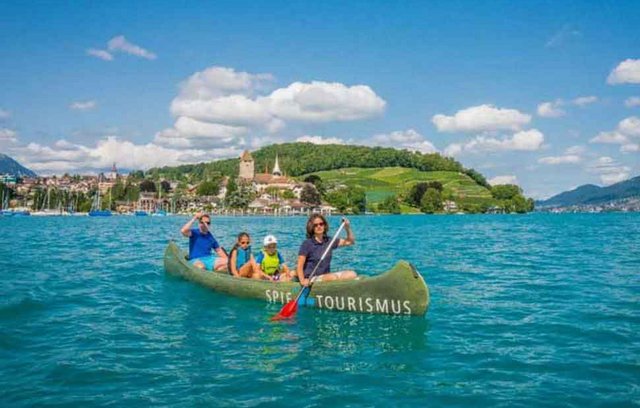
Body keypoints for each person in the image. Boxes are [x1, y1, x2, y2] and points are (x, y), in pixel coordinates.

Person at [297, 214, 357, 286]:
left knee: (352, 274)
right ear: (312, 228)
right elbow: (299, 266)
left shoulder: (329, 241)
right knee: (333, 277)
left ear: (324, 226)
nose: (319, 226)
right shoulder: (307, 244)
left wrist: (347, 227)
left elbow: (350, 242)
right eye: (315, 225)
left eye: (321, 224)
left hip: (326, 276)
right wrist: (302, 281)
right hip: (311, 278)